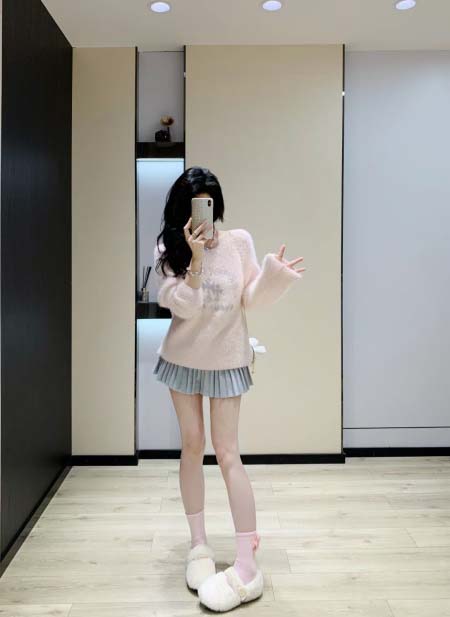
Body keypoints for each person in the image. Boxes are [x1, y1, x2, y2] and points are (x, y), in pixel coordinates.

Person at [152, 166, 305, 612]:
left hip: (227, 360)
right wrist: (196, 259)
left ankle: (245, 561)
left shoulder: (239, 242)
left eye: (209, 202)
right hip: (182, 359)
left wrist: (273, 276)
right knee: (191, 446)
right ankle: (198, 545)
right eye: (195, 203)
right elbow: (183, 307)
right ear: (182, 210)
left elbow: (249, 299)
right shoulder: (170, 249)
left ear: (216, 205)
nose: (205, 212)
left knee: (227, 453)